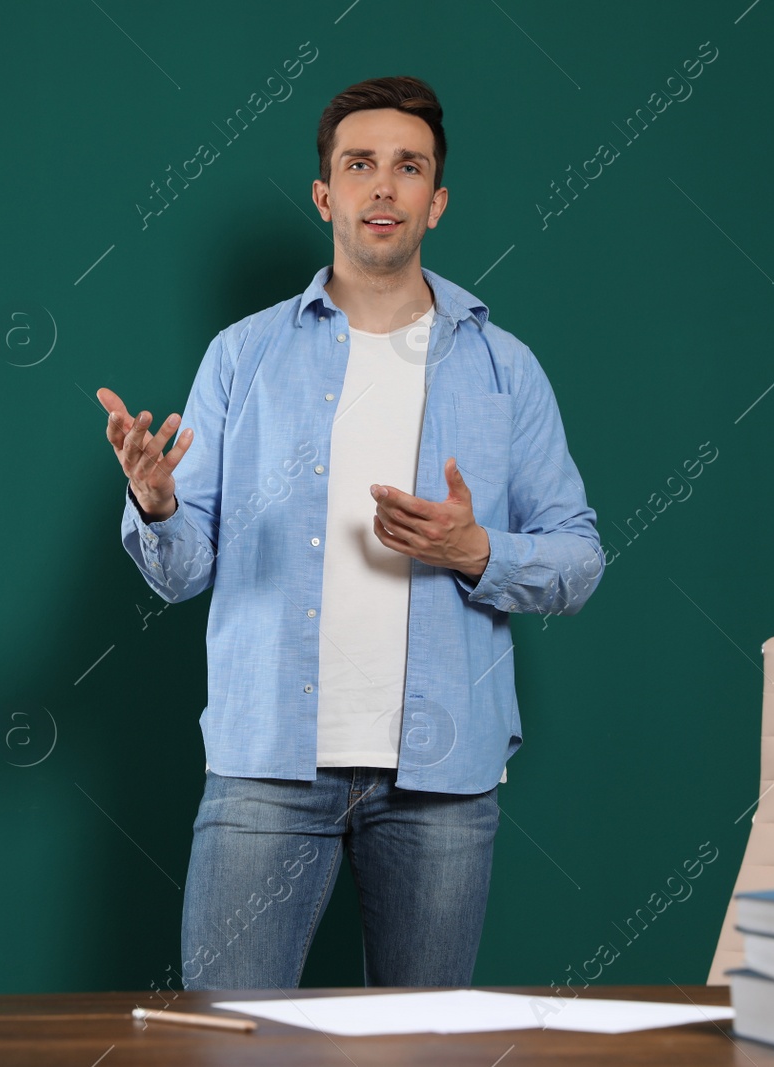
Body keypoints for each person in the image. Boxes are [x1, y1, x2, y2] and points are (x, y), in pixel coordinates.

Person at [97, 75, 603, 991]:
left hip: (442, 781)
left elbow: (579, 558)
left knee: (421, 1054)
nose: (383, 185)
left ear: (436, 202)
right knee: (226, 1041)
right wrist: (161, 507)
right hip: (266, 765)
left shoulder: (504, 367)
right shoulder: (241, 356)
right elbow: (183, 574)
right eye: (359, 164)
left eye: (408, 168)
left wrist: (474, 550)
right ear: (326, 194)